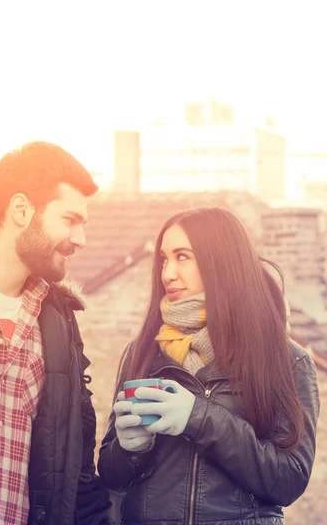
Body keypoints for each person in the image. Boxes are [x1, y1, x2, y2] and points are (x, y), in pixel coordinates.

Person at [0, 141, 113, 525]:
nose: (80, 239)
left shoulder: (61, 328)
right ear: (21, 210)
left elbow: (76, 475)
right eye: (70, 219)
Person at [98, 207, 320, 525]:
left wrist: (198, 417)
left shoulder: (286, 360)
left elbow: (289, 481)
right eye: (164, 259)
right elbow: (111, 477)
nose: (167, 273)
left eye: (182, 257)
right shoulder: (143, 352)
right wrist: (129, 447)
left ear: (221, 262)